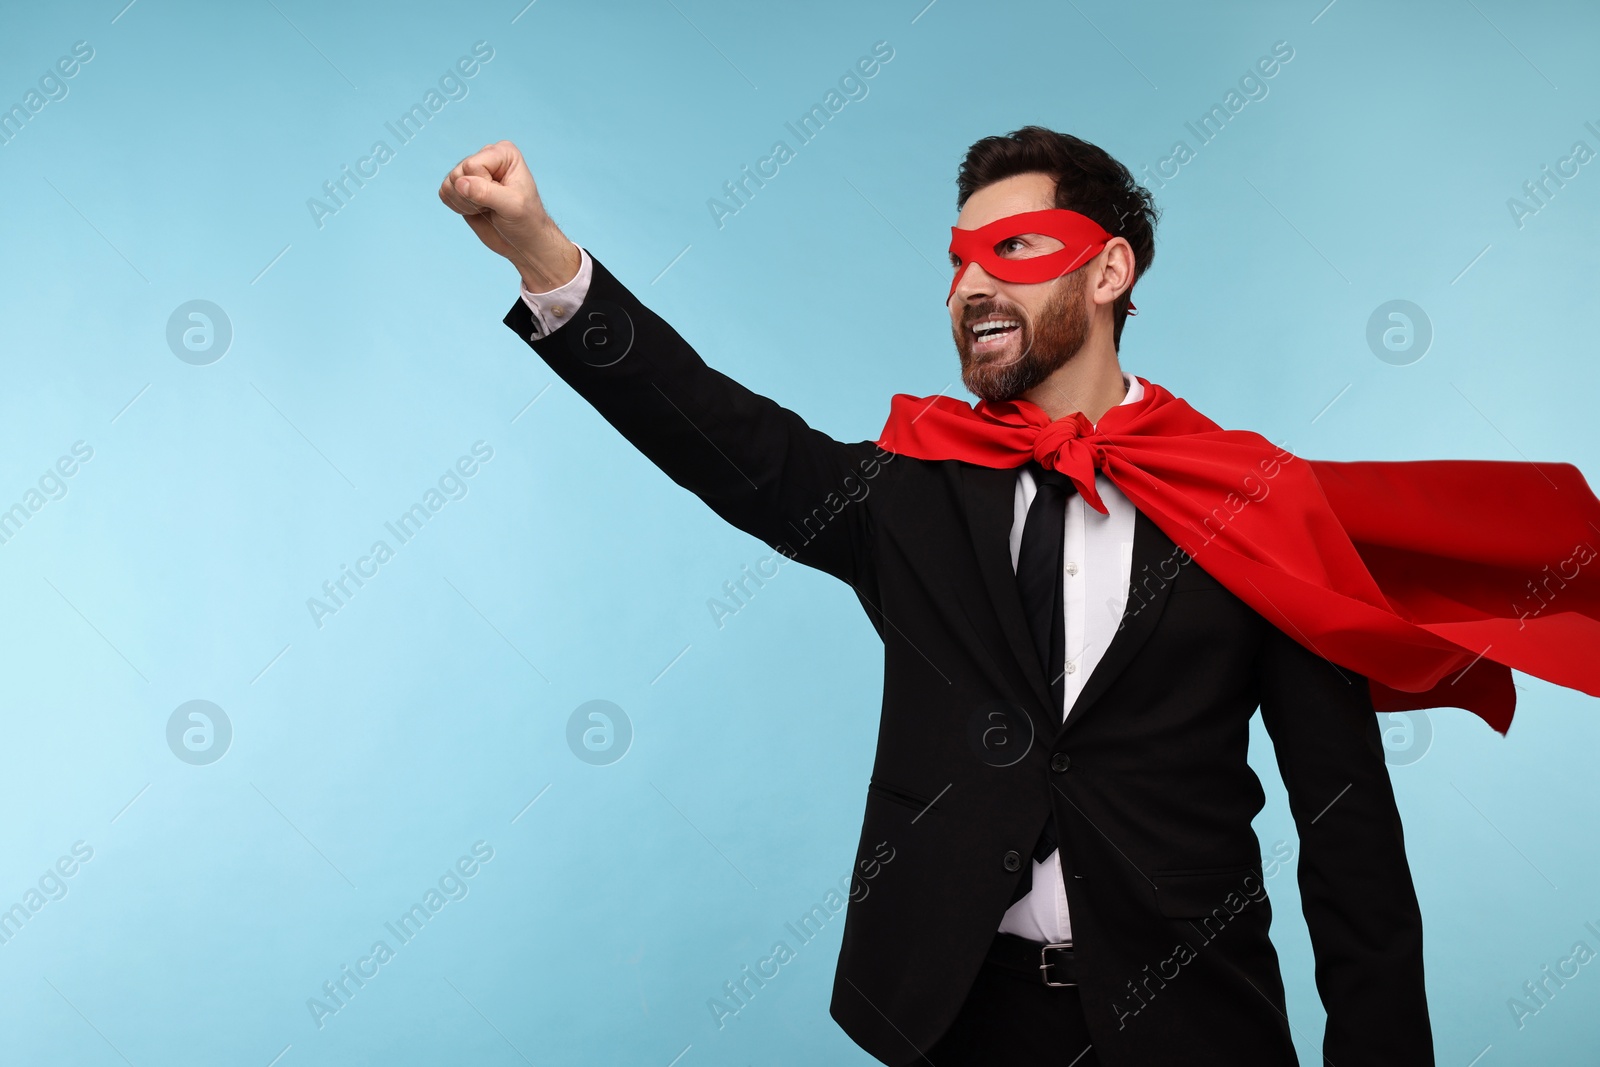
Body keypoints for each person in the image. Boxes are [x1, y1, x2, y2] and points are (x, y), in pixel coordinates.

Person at [437, 127, 1436, 1065]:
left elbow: (1348, 836)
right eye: (958, 259)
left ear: (1109, 270)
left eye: (1011, 248)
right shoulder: (910, 494)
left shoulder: (1248, 503)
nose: (970, 283)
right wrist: (545, 257)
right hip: (956, 1017)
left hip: (1190, 1020)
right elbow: (723, 438)